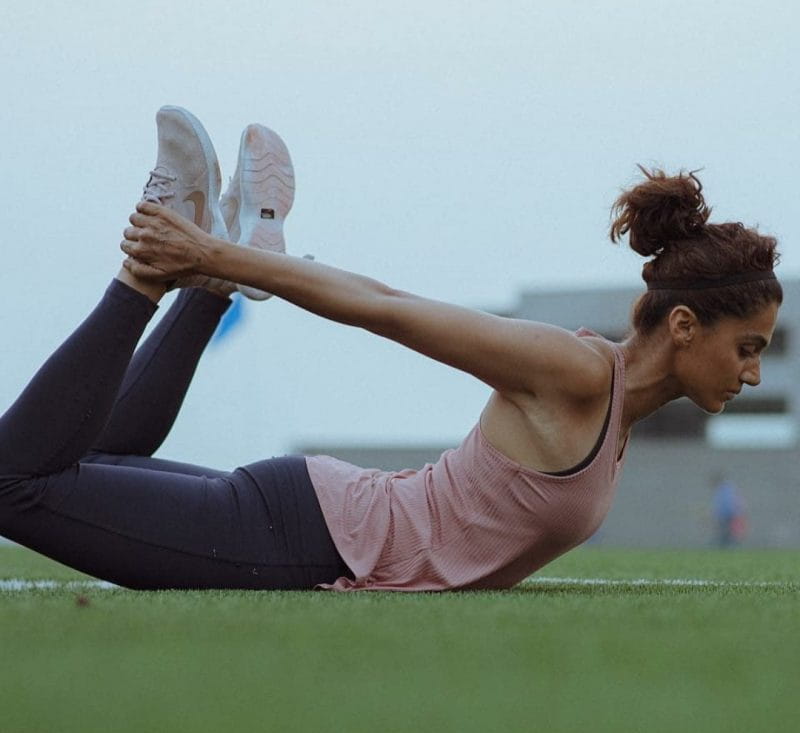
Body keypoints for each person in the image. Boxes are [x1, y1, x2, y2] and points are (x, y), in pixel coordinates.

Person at [0, 106, 782, 592]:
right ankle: (153, 270)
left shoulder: (616, 417)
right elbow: (390, 309)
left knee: (92, 457)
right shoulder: (577, 373)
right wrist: (208, 257)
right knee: (11, 480)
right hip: (299, 537)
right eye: (747, 347)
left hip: (314, 520)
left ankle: (209, 263)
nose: (752, 371)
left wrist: (218, 264)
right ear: (683, 327)